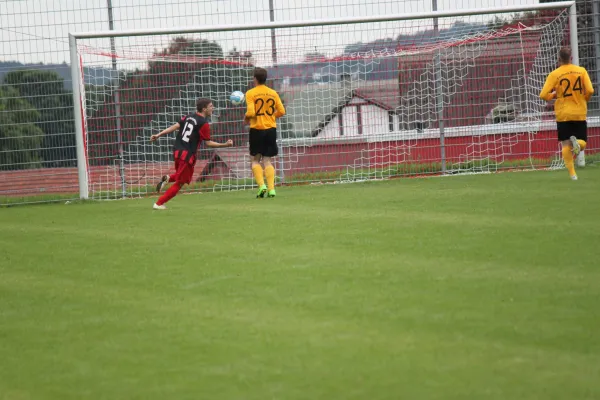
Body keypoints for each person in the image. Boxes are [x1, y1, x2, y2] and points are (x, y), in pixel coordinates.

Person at [150, 98, 233, 209]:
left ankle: (168, 179)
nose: (212, 108)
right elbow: (208, 143)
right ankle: (159, 203)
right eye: (211, 106)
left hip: (177, 151)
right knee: (180, 182)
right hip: (187, 154)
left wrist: (159, 134)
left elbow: (175, 126)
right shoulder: (204, 124)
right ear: (204, 109)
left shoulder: (189, 117)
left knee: (184, 177)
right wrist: (225, 145)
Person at [540, 47, 594, 180]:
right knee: (582, 143)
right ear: (571, 58)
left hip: (563, 113)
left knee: (565, 143)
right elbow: (590, 90)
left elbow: (543, 95)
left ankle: (572, 174)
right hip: (579, 111)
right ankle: (577, 145)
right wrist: (584, 99)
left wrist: (553, 95)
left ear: (559, 59)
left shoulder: (555, 74)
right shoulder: (581, 71)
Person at [244, 67, 286, 198]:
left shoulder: (251, 93)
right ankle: (272, 189)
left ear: (255, 79)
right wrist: (272, 116)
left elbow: (251, 112)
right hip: (270, 129)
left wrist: (246, 118)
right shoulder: (273, 93)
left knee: (255, 160)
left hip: (256, 129)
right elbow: (282, 111)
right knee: (267, 160)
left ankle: (262, 186)